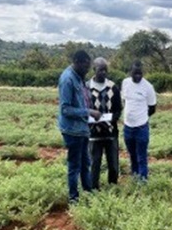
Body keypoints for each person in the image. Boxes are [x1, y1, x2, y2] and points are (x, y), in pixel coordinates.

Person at [58, 50, 101, 203]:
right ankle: (73, 199)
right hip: (72, 130)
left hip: (82, 128)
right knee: (75, 165)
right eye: (85, 66)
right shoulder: (68, 79)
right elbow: (65, 109)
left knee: (85, 163)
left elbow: (82, 100)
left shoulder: (79, 77)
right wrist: (88, 111)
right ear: (76, 61)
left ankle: (88, 193)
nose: (87, 70)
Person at [86, 57, 123, 190]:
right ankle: (94, 189)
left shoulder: (113, 87)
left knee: (113, 164)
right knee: (95, 163)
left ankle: (113, 188)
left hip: (111, 132)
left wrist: (109, 120)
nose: (103, 73)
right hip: (93, 132)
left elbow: (118, 109)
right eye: (100, 70)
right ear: (94, 70)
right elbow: (83, 109)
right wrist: (94, 121)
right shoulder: (86, 87)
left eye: (105, 70)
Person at [121, 61, 156, 181]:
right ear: (130, 71)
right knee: (132, 156)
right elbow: (125, 101)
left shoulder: (148, 87)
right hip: (127, 127)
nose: (138, 76)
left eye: (140, 73)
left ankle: (143, 182)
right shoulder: (125, 83)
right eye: (135, 73)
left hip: (141, 128)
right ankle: (135, 178)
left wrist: (141, 118)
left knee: (142, 157)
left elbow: (152, 108)